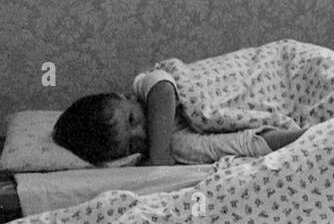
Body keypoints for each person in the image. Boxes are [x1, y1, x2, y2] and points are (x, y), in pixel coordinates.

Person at [52, 66, 304, 166]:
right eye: (131, 144)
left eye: (131, 120)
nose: (143, 132)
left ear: (125, 97)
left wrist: (158, 154)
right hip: (277, 115)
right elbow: (247, 144)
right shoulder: (180, 146)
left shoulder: (145, 87)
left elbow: (162, 85)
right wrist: (310, 136)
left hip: (278, 70)